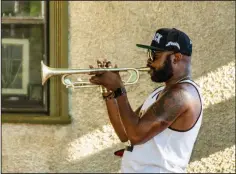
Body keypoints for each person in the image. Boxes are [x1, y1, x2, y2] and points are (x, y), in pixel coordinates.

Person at [89, 28, 203, 173]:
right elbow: (124, 132)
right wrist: (109, 92)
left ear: (176, 57)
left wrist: (119, 89)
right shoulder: (160, 93)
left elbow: (136, 135)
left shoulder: (181, 95)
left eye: (154, 55)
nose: (149, 61)